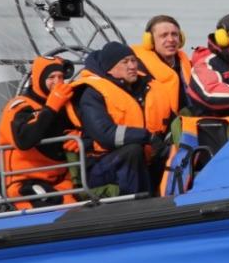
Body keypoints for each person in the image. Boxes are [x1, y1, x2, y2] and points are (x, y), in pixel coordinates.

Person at [69, 41, 161, 196]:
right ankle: (137, 203)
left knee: (167, 150)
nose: (132, 66)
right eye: (125, 62)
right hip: (99, 166)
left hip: (141, 157)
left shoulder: (140, 88)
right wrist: (147, 137)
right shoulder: (91, 95)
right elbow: (105, 135)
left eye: (133, 60)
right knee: (133, 151)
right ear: (110, 69)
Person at [0, 56, 81, 210]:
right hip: (24, 182)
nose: (58, 82)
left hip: (60, 179)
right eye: (51, 77)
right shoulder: (19, 106)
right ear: (38, 79)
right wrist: (50, 108)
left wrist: (77, 134)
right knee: (55, 205)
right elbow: (24, 140)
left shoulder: (66, 104)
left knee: (81, 203)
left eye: (61, 77)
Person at [132, 14, 192, 135]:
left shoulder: (187, 64)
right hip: (152, 134)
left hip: (184, 126)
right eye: (164, 35)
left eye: (174, 34)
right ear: (150, 41)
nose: (171, 39)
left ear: (181, 38)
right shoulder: (136, 69)